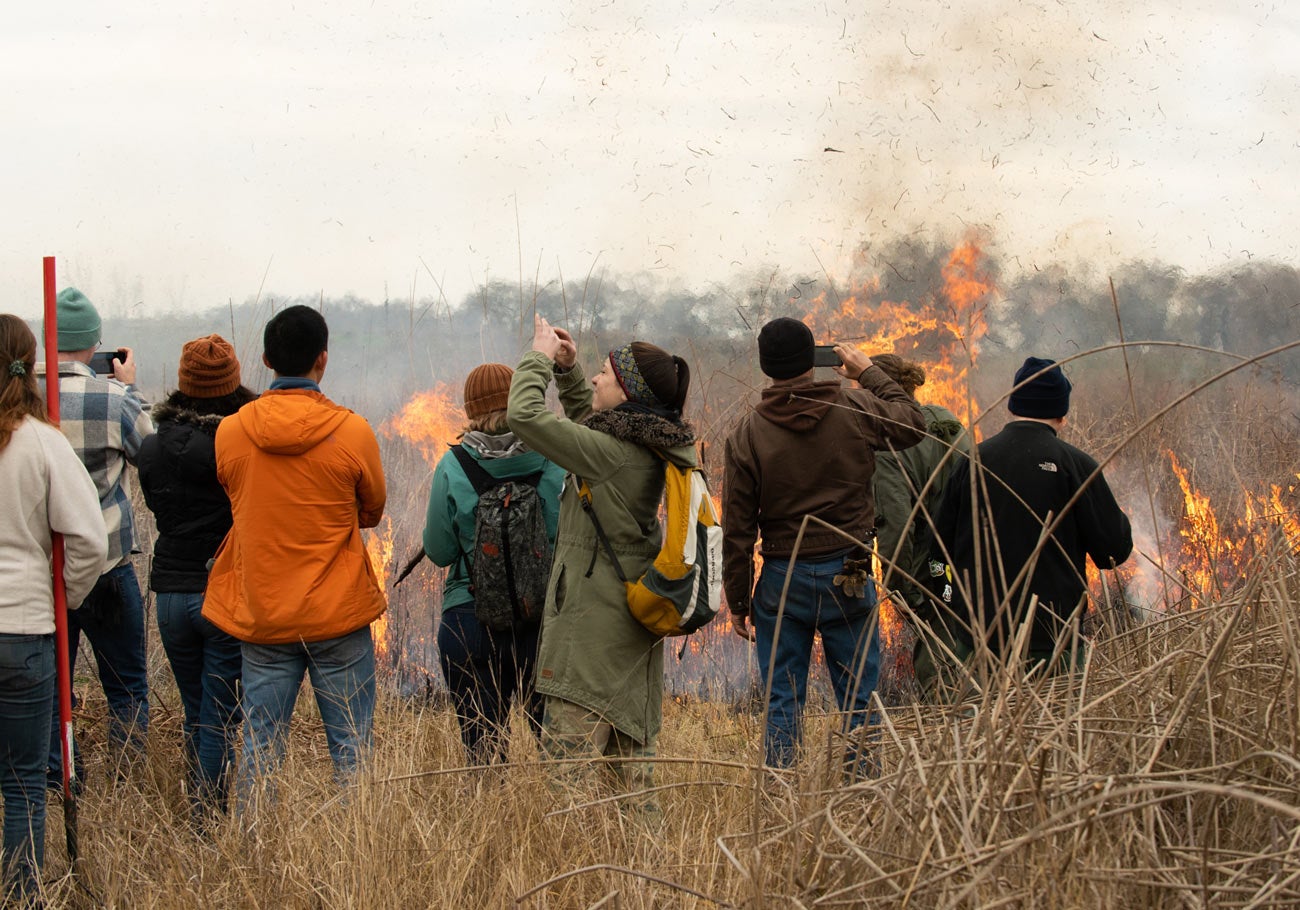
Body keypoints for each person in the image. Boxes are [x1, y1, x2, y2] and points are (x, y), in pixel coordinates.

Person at [507, 314, 694, 823]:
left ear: (628, 394)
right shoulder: (643, 445)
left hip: (591, 638)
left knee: (568, 781)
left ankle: (575, 879)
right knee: (632, 787)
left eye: (605, 374)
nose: (595, 377)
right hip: (629, 633)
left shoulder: (611, 454)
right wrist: (569, 374)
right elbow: (588, 431)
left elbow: (523, 414)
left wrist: (540, 359)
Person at [202, 305, 387, 812]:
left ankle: (254, 857)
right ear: (322, 360)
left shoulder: (231, 432)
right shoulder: (353, 432)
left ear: (264, 359)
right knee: (353, 750)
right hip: (338, 616)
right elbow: (371, 511)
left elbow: (235, 495)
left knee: (259, 749)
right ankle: (359, 860)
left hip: (264, 616)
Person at [723, 317, 926, 773]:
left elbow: (737, 530)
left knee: (783, 699)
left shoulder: (746, 434)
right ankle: (863, 791)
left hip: (782, 579)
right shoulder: (857, 407)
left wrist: (738, 599)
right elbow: (914, 422)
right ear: (814, 359)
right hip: (849, 573)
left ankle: (779, 798)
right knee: (860, 697)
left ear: (765, 366)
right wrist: (868, 371)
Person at [935, 357, 1133, 688]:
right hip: (1052, 638)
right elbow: (1114, 551)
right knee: (1055, 731)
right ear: (1061, 414)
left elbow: (939, 545)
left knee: (981, 732)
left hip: (979, 635)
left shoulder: (970, 461)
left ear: (1012, 406)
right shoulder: (1076, 465)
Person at [0, 315, 106, 904]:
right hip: (23, 630)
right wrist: (60, 598)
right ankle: (21, 898)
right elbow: (89, 539)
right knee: (22, 786)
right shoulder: (42, 442)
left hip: (27, 622)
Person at [138, 335, 256, 822]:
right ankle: (208, 820)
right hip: (222, 593)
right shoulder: (242, 444)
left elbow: (159, 507)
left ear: (182, 384)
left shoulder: (150, 447)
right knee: (222, 718)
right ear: (232, 386)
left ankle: (199, 808)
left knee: (196, 711)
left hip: (170, 594)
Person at [422, 363, 563, 766]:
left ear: (471, 409)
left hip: (470, 622)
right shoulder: (555, 456)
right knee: (558, 751)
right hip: (544, 622)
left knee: (483, 753)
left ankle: (490, 815)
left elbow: (439, 552)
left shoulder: (452, 465)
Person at [41, 287, 154, 785]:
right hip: (107, 565)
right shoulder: (114, 400)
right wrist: (130, 389)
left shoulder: (18, 400)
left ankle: (65, 780)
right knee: (127, 688)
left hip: (43, 574)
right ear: (95, 346)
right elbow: (150, 454)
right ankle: (126, 788)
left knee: (49, 694)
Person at [867, 354, 973, 698]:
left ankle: (948, 728)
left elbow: (896, 528)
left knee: (938, 650)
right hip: (975, 555)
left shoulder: (888, 444)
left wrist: (901, 591)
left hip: (933, 567)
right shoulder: (946, 420)